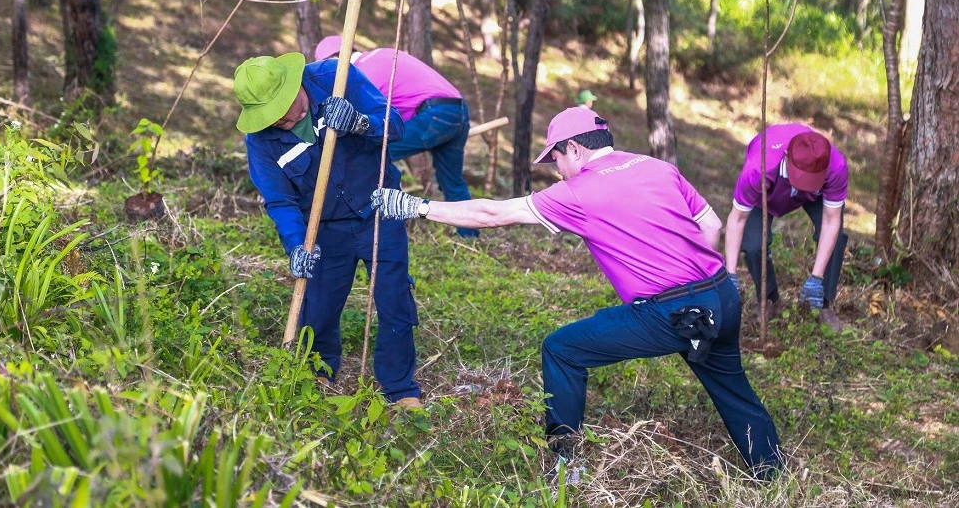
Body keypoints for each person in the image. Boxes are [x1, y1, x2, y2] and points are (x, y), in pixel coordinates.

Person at [371, 106, 784, 479]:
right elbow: (711, 228)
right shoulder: (657, 167)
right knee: (734, 389)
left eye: (555, 159)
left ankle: (565, 462)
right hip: (723, 297)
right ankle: (771, 473)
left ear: (574, 149)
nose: (556, 170)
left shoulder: (578, 192)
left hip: (672, 312)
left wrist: (415, 207)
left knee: (562, 349)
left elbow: (492, 213)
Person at [233, 52, 422, 407]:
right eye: (275, 119)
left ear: (296, 83)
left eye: (291, 107)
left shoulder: (338, 77)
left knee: (393, 297)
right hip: (324, 227)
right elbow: (280, 201)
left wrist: (361, 123)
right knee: (318, 304)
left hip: (379, 208)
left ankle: (400, 388)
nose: (288, 119)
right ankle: (319, 369)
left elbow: (394, 123)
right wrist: (296, 245)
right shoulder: (260, 141)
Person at [315, 36, 479, 238]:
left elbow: (360, 125)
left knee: (371, 156)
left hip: (433, 114)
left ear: (335, 60)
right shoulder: (382, 54)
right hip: (457, 111)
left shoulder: (360, 73)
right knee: (452, 182)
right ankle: (469, 236)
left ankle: (388, 224)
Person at [724, 124, 849, 332]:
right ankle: (768, 299)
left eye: (812, 180)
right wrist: (730, 275)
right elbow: (737, 220)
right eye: (803, 179)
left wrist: (816, 278)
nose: (805, 184)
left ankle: (823, 303)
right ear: (786, 157)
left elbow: (831, 220)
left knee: (837, 238)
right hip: (770, 190)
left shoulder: (835, 166)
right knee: (754, 245)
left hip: (814, 197)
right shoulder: (758, 167)